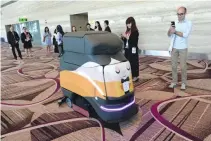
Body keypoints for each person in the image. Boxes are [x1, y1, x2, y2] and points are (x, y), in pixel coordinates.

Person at [168, 6, 192, 90]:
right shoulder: (174, 22)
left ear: (185, 13)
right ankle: (174, 82)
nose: (179, 16)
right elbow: (169, 35)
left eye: (181, 14)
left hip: (183, 48)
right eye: (178, 14)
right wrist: (170, 31)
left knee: (183, 67)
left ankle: (183, 83)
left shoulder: (189, 23)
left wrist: (175, 32)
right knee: (173, 66)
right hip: (174, 47)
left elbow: (185, 35)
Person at [121, 17, 139, 82]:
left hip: (133, 49)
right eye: (127, 24)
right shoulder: (128, 31)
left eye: (129, 23)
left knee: (133, 62)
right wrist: (123, 37)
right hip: (127, 49)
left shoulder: (135, 31)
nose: (128, 25)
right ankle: (129, 75)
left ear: (132, 23)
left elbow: (133, 41)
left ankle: (135, 76)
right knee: (128, 62)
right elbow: (126, 40)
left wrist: (126, 37)